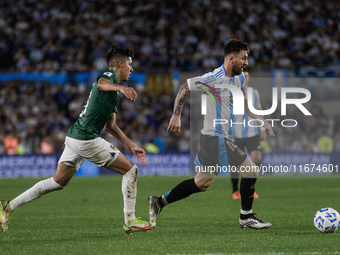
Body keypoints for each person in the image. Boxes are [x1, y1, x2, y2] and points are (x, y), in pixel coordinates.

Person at [0, 46, 152, 234]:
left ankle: (8, 206)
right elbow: (101, 83)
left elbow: (110, 126)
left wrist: (133, 145)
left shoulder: (114, 95)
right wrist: (120, 87)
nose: (132, 68)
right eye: (130, 64)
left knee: (58, 182)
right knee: (131, 170)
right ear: (120, 64)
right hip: (86, 139)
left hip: (75, 136)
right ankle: (129, 221)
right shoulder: (110, 76)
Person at [149, 39, 275, 229]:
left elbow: (244, 104)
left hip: (215, 139)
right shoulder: (213, 77)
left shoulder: (239, 78)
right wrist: (176, 115)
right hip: (216, 138)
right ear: (231, 58)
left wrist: (260, 119)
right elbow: (185, 88)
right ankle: (246, 217)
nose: (246, 63)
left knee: (202, 183)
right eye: (244, 58)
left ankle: (159, 202)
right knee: (251, 170)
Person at [231, 72, 265, 199]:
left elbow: (259, 110)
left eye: (246, 75)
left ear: (249, 78)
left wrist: (262, 127)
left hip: (252, 132)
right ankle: (235, 191)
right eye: (242, 75)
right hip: (236, 134)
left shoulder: (254, 93)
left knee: (256, 158)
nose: (244, 77)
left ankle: (250, 189)